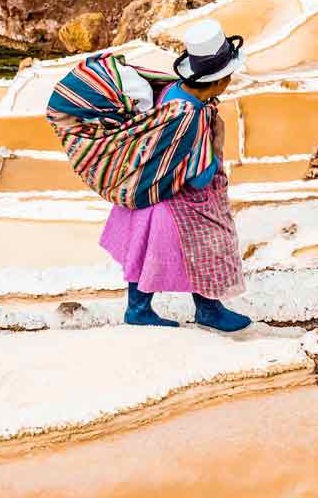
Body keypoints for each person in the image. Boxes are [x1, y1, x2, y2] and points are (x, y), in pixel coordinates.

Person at [96, 19, 251, 332]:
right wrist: (216, 144)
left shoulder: (171, 92)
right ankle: (209, 310)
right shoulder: (188, 117)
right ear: (217, 81)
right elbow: (198, 178)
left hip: (151, 190)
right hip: (177, 200)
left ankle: (139, 309)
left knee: (143, 252)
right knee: (208, 246)